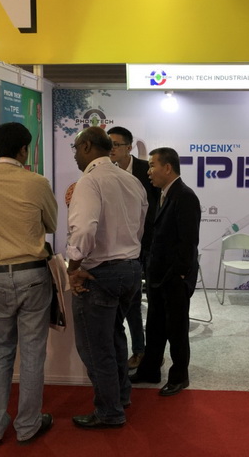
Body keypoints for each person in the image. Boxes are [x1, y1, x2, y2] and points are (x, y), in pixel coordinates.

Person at [0, 122, 58, 447]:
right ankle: (28, 425)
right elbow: (51, 224)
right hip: (32, 273)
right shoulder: (37, 182)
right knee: (32, 352)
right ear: (24, 150)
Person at [66, 126, 147, 429]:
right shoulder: (131, 180)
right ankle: (121, 396)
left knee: (94, 347)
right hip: (130, 268)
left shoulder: (89, 181)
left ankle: (109, 411)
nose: (75, 155)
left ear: (87, 147)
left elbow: (84, 230)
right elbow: (140, 227)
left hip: (100, 272)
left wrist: (73, 267)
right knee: (114, 337)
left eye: (76, 149)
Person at [130, 147, 201, 396]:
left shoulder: (185, 196)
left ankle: (180, 377)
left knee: (176, 329)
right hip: (157, 275)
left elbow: (188, 242)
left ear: (167, 167)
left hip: (173, 278)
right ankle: (150, 370)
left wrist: (179, 274)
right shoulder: (163, 194)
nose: (148, 171)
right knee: (155, 326)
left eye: (152, 165)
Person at [106, 126, 158, 370]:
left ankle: (148, 352)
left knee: (147, 303)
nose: (111, 149)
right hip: (120, 247)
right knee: (129, 303)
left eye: (116, 144)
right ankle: (136, 350)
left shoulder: (146, 171)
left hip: (147, 244)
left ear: (129, 147)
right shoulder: (105, 172)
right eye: (108, 144)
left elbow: (157, 206)